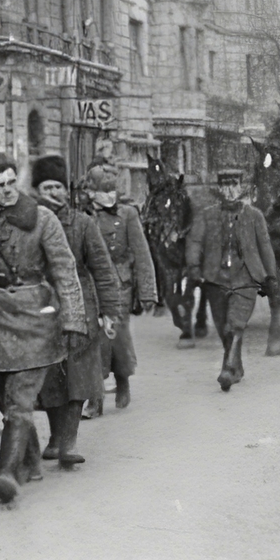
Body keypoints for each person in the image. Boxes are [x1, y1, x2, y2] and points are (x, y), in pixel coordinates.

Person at [0, 152, 86, 504]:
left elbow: (64, 271)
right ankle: (29, 462)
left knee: (19, 400)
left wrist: (74, 319)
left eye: (12, 182)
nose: (7, 191)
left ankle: (7, 473)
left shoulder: (43, 219)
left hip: (34, 318)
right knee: (8, 402)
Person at [30, 155, 125, 465]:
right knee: (51, 380)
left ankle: (68, 442)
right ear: (36, 189)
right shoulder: (26, 223)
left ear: (67, 189)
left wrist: (109, 311)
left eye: (59, 186)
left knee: (79, 375)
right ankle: (56, 437)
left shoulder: (83, 224)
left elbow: (102, 270)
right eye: (47, 186)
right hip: (41, 310)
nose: (54, 192)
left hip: (81, 308)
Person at [185, 167, 280, 392]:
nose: (229, 189)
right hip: (215, 278)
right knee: (222, 328)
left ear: (241, 186)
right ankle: (237, 366)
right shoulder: (206, 215)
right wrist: (193, 265)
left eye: (234, 183)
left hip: (246, 276)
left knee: (235, 324)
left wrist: (271, 276)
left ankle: (227, 368)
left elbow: (265, 246)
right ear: (218, 188)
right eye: (224, 184)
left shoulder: (254, 216)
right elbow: (195, 241)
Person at [81, 162, 155, 411]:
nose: (107, 194)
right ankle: (95, 394)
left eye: (111, 189)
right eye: (102, 189)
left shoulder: (127, 214)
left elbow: (142, 254)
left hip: (119, 284)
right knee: (92, 339)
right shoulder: (83, 216)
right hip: (90, 285)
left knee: (116, 336)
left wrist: (147, 292)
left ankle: (122, 380)